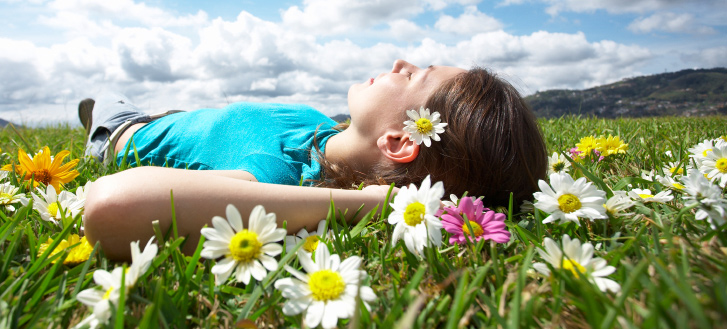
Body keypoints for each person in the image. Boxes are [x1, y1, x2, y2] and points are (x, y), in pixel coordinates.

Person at [82, 60, 547, 260]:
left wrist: (367, 204)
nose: (402, 62)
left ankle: (95, 123)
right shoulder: (324, 129)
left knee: (104, 100)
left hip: (123, 132)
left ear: (400, 142)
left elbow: (112, 207)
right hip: (176, 117)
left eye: (415, 76)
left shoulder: (277, 173)